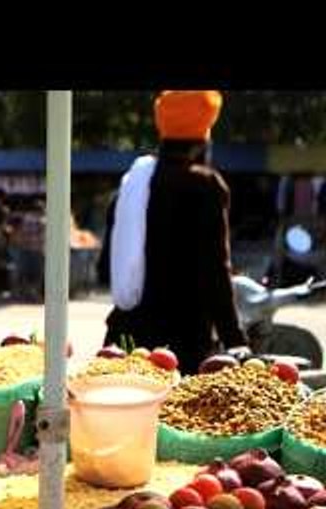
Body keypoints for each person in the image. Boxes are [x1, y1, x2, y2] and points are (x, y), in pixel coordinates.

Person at [101, 90, 248, 374]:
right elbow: (215, 270)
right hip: (183, 345)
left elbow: (106, 266)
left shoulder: (132, 185)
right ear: (203, 140)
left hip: (127, 338)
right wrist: (235, 340)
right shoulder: (205, 185)